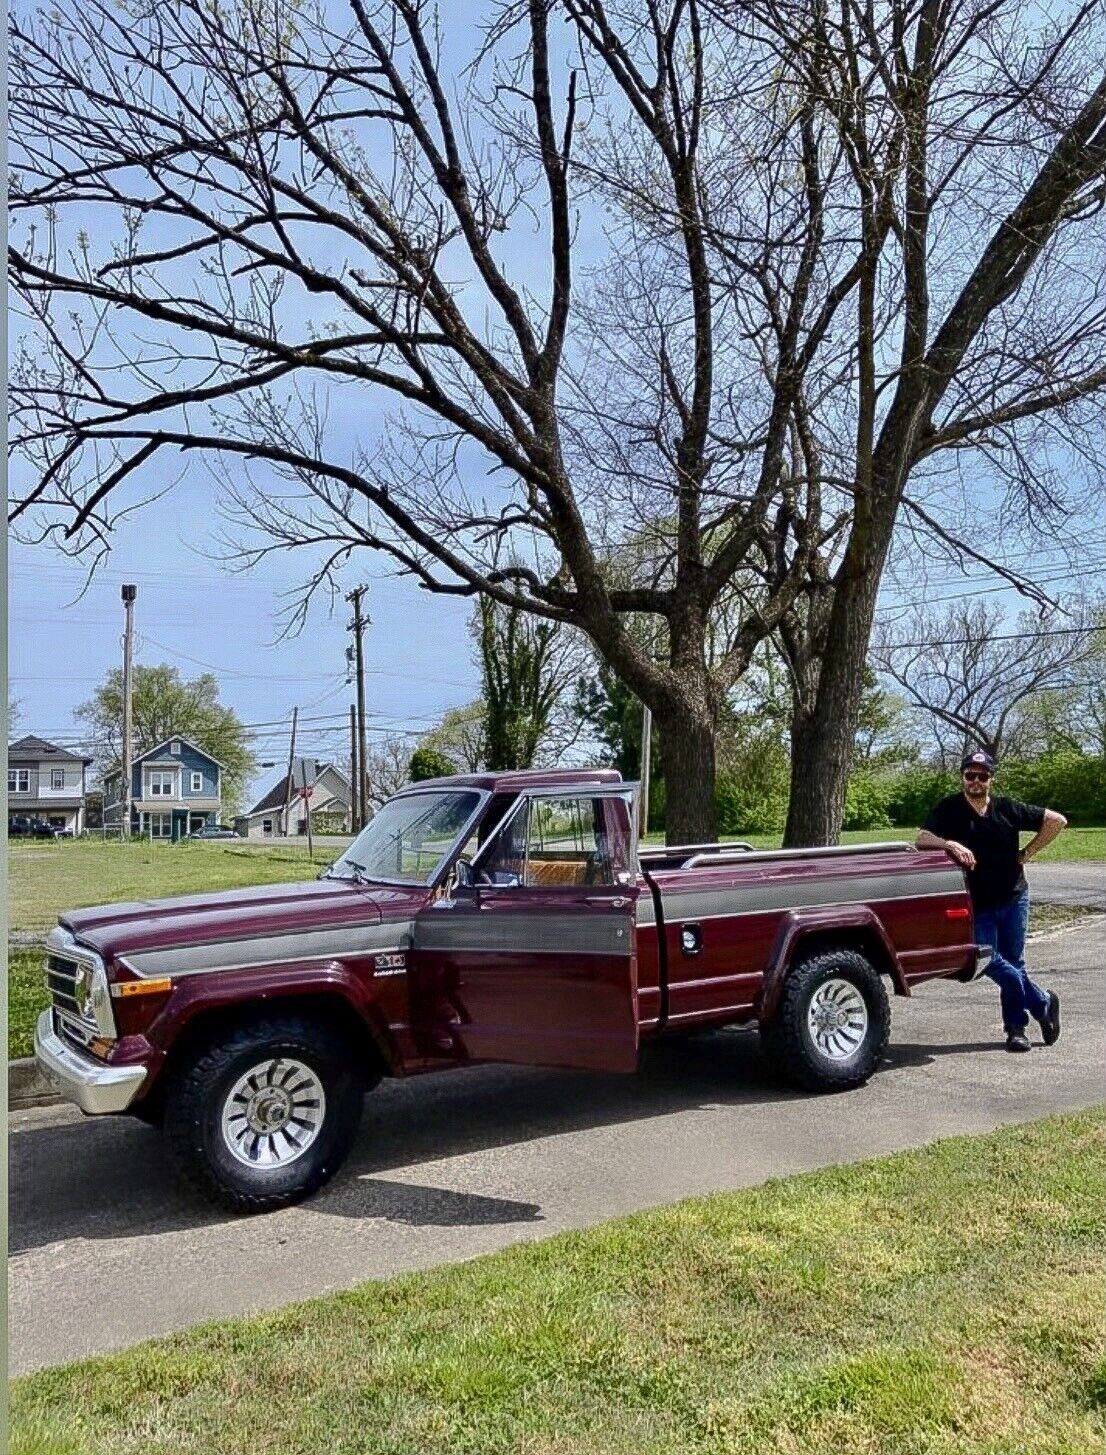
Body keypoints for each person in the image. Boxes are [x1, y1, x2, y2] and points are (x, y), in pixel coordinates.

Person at [916, 750, 1067, 1052]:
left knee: (1013, 961)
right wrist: (950, 844)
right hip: (978, 903)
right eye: (969, 775)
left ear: (990, 779)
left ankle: (1016, 1029)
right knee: (989, 962)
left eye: (981, 776)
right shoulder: (950, 809)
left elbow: (1056, 821)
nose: (975, 781)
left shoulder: (1007, 808)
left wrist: (1027, 853)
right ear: (962, 777)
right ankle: (1042, 1002)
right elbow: (921, 839)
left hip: (1014, 898)